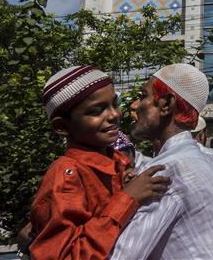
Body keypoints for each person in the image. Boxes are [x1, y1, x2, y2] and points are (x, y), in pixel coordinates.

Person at [111, 63, 213, 259]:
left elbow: (121, 255)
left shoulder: (170, 169)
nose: (134, 106)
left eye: (143, 96)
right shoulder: (193, 158)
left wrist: (123, 199)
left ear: (166, 105)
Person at [29, 65, 171, 260]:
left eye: (115, 103)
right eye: (97, 111)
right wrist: (126, 200)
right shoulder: (67, 176)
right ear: (62, 127)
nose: (114, 115)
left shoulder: (118, 163)